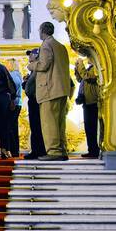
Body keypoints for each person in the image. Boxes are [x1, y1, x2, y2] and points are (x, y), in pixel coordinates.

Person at [29, 21, 74, 161]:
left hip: (49, 89)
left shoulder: (46, 45)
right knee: (60, 122)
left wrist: (32, 65)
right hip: (61, 89)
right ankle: (61, 149)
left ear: (42, 31)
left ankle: (53, 151)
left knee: (49, 122)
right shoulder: (61, 46)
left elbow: (44, 65)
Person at [75, 56, 101, 158]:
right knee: (88, 128)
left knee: (92, 127)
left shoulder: (96, 68)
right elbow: (80, 79)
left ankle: (94, 151)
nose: (88, 58)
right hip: (86, 101)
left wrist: (81, 65)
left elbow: (88, 77)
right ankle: (91, 150)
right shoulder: (89, 68)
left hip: (93, 102)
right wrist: (77, 70)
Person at [23, 50, 46, 159]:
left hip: (36, 100)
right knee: (35, 126)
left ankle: (38, 150)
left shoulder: (37, 69)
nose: (29, 57)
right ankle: (37, 149)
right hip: (34, 100)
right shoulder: (33, 70)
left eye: (31, 54)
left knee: (37, 126)